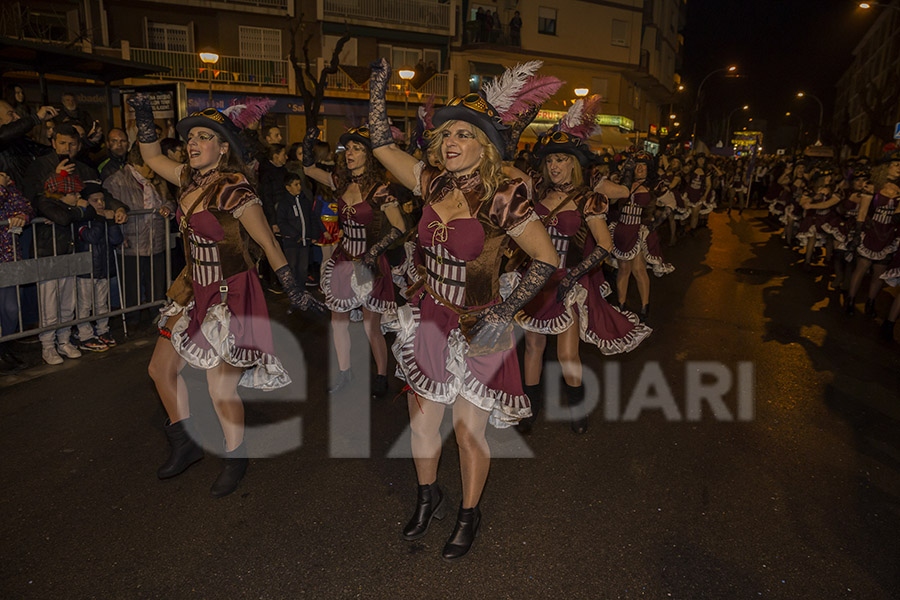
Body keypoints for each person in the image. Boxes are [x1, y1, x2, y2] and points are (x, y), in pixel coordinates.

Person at [367, 59, 559, 560]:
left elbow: (546, 258)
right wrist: (379, 89)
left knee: (469, 434)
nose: (451, 141)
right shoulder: (433, 184)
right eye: (446, 132)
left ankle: (469, 513)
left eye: (464, 134)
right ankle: (428, 497)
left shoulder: (503, 199)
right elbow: (383, 146)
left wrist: (510, 307)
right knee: (422, 423)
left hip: (480, 327)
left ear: (485, 145)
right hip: (431, 316)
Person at [129, 94, 324, 497]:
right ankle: (184, 443)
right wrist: (144, 114)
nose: (193, 143)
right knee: (159, 371)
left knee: (221, 389)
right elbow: (151, 155)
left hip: (228, 295)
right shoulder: (188, 178)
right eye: (190, 138)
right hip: (190, 290)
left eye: (204, 137)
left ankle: (236, 455)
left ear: (223, 147)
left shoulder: (235, 189)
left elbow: (268, 242)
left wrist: (293, 288)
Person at [515, 129, 651, 434]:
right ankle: (529, 410)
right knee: (533, 347)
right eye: (550, 160)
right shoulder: (537, 192)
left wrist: (574, 276)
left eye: (561, 159)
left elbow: (603, 244)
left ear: (574, 163)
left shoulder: (588, 199)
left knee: (567, 354)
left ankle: (577, 407)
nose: (554, 166)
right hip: (536, 279)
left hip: (568, 281)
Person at [302, 124, 405, 397]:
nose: (350, 153)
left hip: (370, 266)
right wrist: (307, 145)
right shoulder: (340, 181)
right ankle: (345, 373)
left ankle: (381, 377)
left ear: (368, 155)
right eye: (347, 148)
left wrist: (373, 253)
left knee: (372, 327)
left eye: (357, 149)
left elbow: (398, 227)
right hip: (343, 260)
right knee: (338, 322)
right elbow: (309, 170)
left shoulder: (380, 189)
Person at [103, 143, 174, 324]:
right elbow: (110, 209)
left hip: (156, 240)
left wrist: (167, 208)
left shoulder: (158, 180)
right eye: (149, 165)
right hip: (130, 242)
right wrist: (119, 235)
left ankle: (157, 316)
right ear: (136, 162)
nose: (153, 170)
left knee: (157, 283)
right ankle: (132, 320)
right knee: (131, 285)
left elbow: (171, 201)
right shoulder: (116, 181)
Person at [845, 149, 900, 316]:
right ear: (886, 167)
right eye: (896, 164)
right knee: (862, 267)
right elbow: (862, 211)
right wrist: (857, 234)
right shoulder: (873, 185)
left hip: (888, 234)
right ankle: (851, 301)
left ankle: (870, 303)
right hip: (872, 232)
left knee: (879, 272)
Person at [74, 181, 123, 352]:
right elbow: (92, 237)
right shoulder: (83, 220)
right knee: (85, 305)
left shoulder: (103, 219)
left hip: (104, 267)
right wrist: (100, 219)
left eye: (102, 200)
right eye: (95, 201)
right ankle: (84, 335)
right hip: (87, 270)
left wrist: (110, 223)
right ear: (86, 202)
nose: (101, 204)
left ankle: (103, 331)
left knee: (102, 303)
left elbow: (116, 239)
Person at [0, 171, 34, 372]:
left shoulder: (10, 188)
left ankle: (4, 348)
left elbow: (27, 207)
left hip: (9, 257)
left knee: (11, 309)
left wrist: (23, 216)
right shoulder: (4, 188)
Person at [277, 172, 324, 301]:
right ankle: (291, 292)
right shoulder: (284, 204)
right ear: (288, 187)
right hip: (291, 242)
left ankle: (301, 291)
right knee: (291, 267)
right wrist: (294, 234)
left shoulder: (305, 201)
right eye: (296, 185)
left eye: (299, 184)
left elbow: (312, 218)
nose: (299, 187)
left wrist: (314, 234)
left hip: (305, 242)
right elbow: (281, 222)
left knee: (303, 268)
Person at [0, 101, 56, 188]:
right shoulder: (3, 139)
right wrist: (35, 118)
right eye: (10, 114)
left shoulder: (22, 141)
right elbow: (3, 135)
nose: (18, 117)